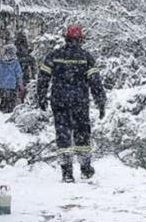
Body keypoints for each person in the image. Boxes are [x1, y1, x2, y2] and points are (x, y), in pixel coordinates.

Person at [37, 25, 107, 183]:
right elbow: (95, 82)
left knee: (63, 134)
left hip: (59, 101)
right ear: (80, 40)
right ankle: (85, 169)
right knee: (82, 133)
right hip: (79, 102)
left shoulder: (54, 56)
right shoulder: (86, 57)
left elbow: (43, 78)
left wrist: (41, 97)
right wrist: (101, 102)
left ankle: (67, 172)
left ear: (66, 39)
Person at [0, 44, 24, 113]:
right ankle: (7, 112)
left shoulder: (0, 62)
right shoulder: (15, 63)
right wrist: (20, 84)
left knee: (4, 101)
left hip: (2, 85)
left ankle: (3, 112)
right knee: (10, 101)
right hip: (11, 85)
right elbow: (19, 75)